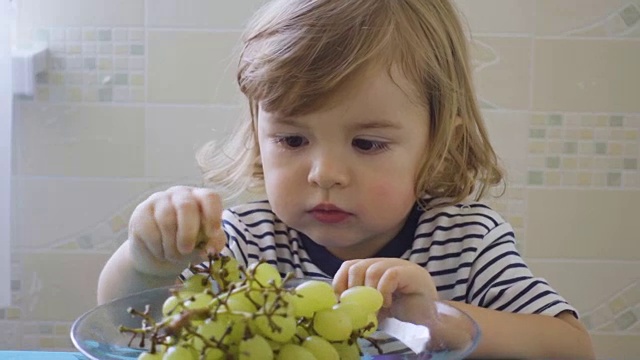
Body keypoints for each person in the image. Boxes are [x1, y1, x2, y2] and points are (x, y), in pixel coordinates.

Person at [97, 0, 594, 358]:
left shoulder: (465, 242)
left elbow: (572, 347)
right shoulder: (244, 243)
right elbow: (128, 325)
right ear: (259, 134)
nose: (325, 174)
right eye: (292, 140)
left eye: (367, 144)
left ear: (436, 142)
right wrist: (148, 263)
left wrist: (438, 321)